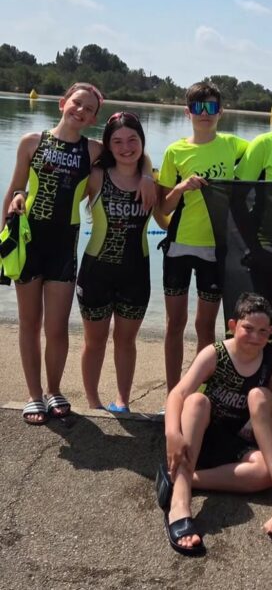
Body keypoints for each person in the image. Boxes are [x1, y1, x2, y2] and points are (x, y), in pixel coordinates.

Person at [2, 82, 156, 425]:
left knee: (56, 327)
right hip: (29, 242)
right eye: (77, 103)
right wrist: (5, 242)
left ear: (93, 119)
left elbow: (131, 152)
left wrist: (148, 174)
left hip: (64, 248)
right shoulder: (31, 141)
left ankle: (54, 390)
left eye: (89, 109)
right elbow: (14, 189)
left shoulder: (92, 150)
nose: (81, 111)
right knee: (30, 323)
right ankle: (34, 395)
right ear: (62, 103)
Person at [155, 293, 272, 556]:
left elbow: (271, 398)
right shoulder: (215, 353)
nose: (255, 337)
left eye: (263, 331)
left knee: (265, 472)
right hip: (207, 432)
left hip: (241, 438)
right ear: (232, 325)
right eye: (248, 328)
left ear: (271, 332)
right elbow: (178, 394)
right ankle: (180, 502)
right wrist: (172, 433)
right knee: (196, 401)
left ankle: (183, 478)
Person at [158, 81, 248, 393]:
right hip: (179, 247)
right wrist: (181, 188)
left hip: (215, 249)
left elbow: (271, 151)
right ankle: (173, 393)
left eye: (211, 107)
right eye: (198, 107)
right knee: (175, 324)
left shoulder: (234, 146)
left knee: (205, 326)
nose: (205, 113)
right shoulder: (175, 151)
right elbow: (163, 206)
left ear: (221, 112)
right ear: (188, 112)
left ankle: (199, 392)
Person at [77, 112, 153, 412]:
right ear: (108, 145)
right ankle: (94, 402)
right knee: (94, 341)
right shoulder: (96, 176)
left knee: (126, 341)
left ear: (142, 142)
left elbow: (167, 214)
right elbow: (61, 193)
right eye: (117, 141)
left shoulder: (152, 179)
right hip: (96, 272)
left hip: (136, 274)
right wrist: (20, 195)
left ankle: (122, 401)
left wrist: (148, 173)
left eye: (132, 140)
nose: (126, 147)